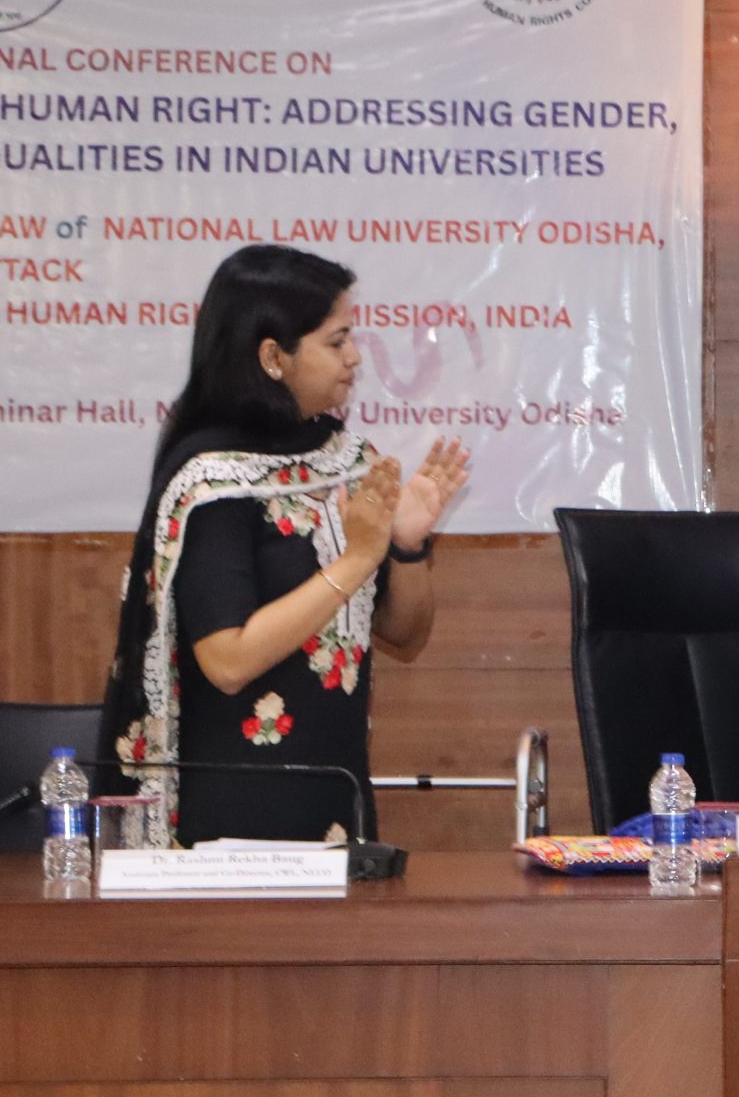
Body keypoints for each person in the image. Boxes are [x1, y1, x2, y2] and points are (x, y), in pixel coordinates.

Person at [99, 245, 470, 847]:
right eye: (336, 341)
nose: (355, 357)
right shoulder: (215, 484)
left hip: (336, 801)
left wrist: (405, 548)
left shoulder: (347, 462)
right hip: (233, 822)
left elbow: (405, 637)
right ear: (273, 357)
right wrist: (356, 560)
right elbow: (227, 662)